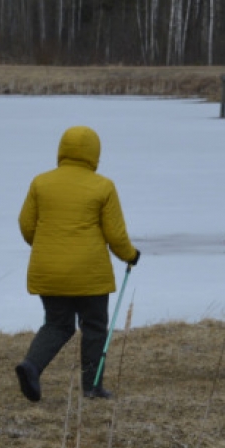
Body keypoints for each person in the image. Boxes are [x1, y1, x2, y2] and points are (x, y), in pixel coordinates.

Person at [13, 125, 140, 403]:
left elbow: (26, 226)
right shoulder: (103, 186)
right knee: (94, 326)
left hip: (49, 270)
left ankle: (31, 366)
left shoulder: (40, 183)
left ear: (61, 150)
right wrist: (130, 255)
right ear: (95, 153)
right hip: (89, 274)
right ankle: (92, 388)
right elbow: (115, 235)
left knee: (57, 324)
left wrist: (47, 246)